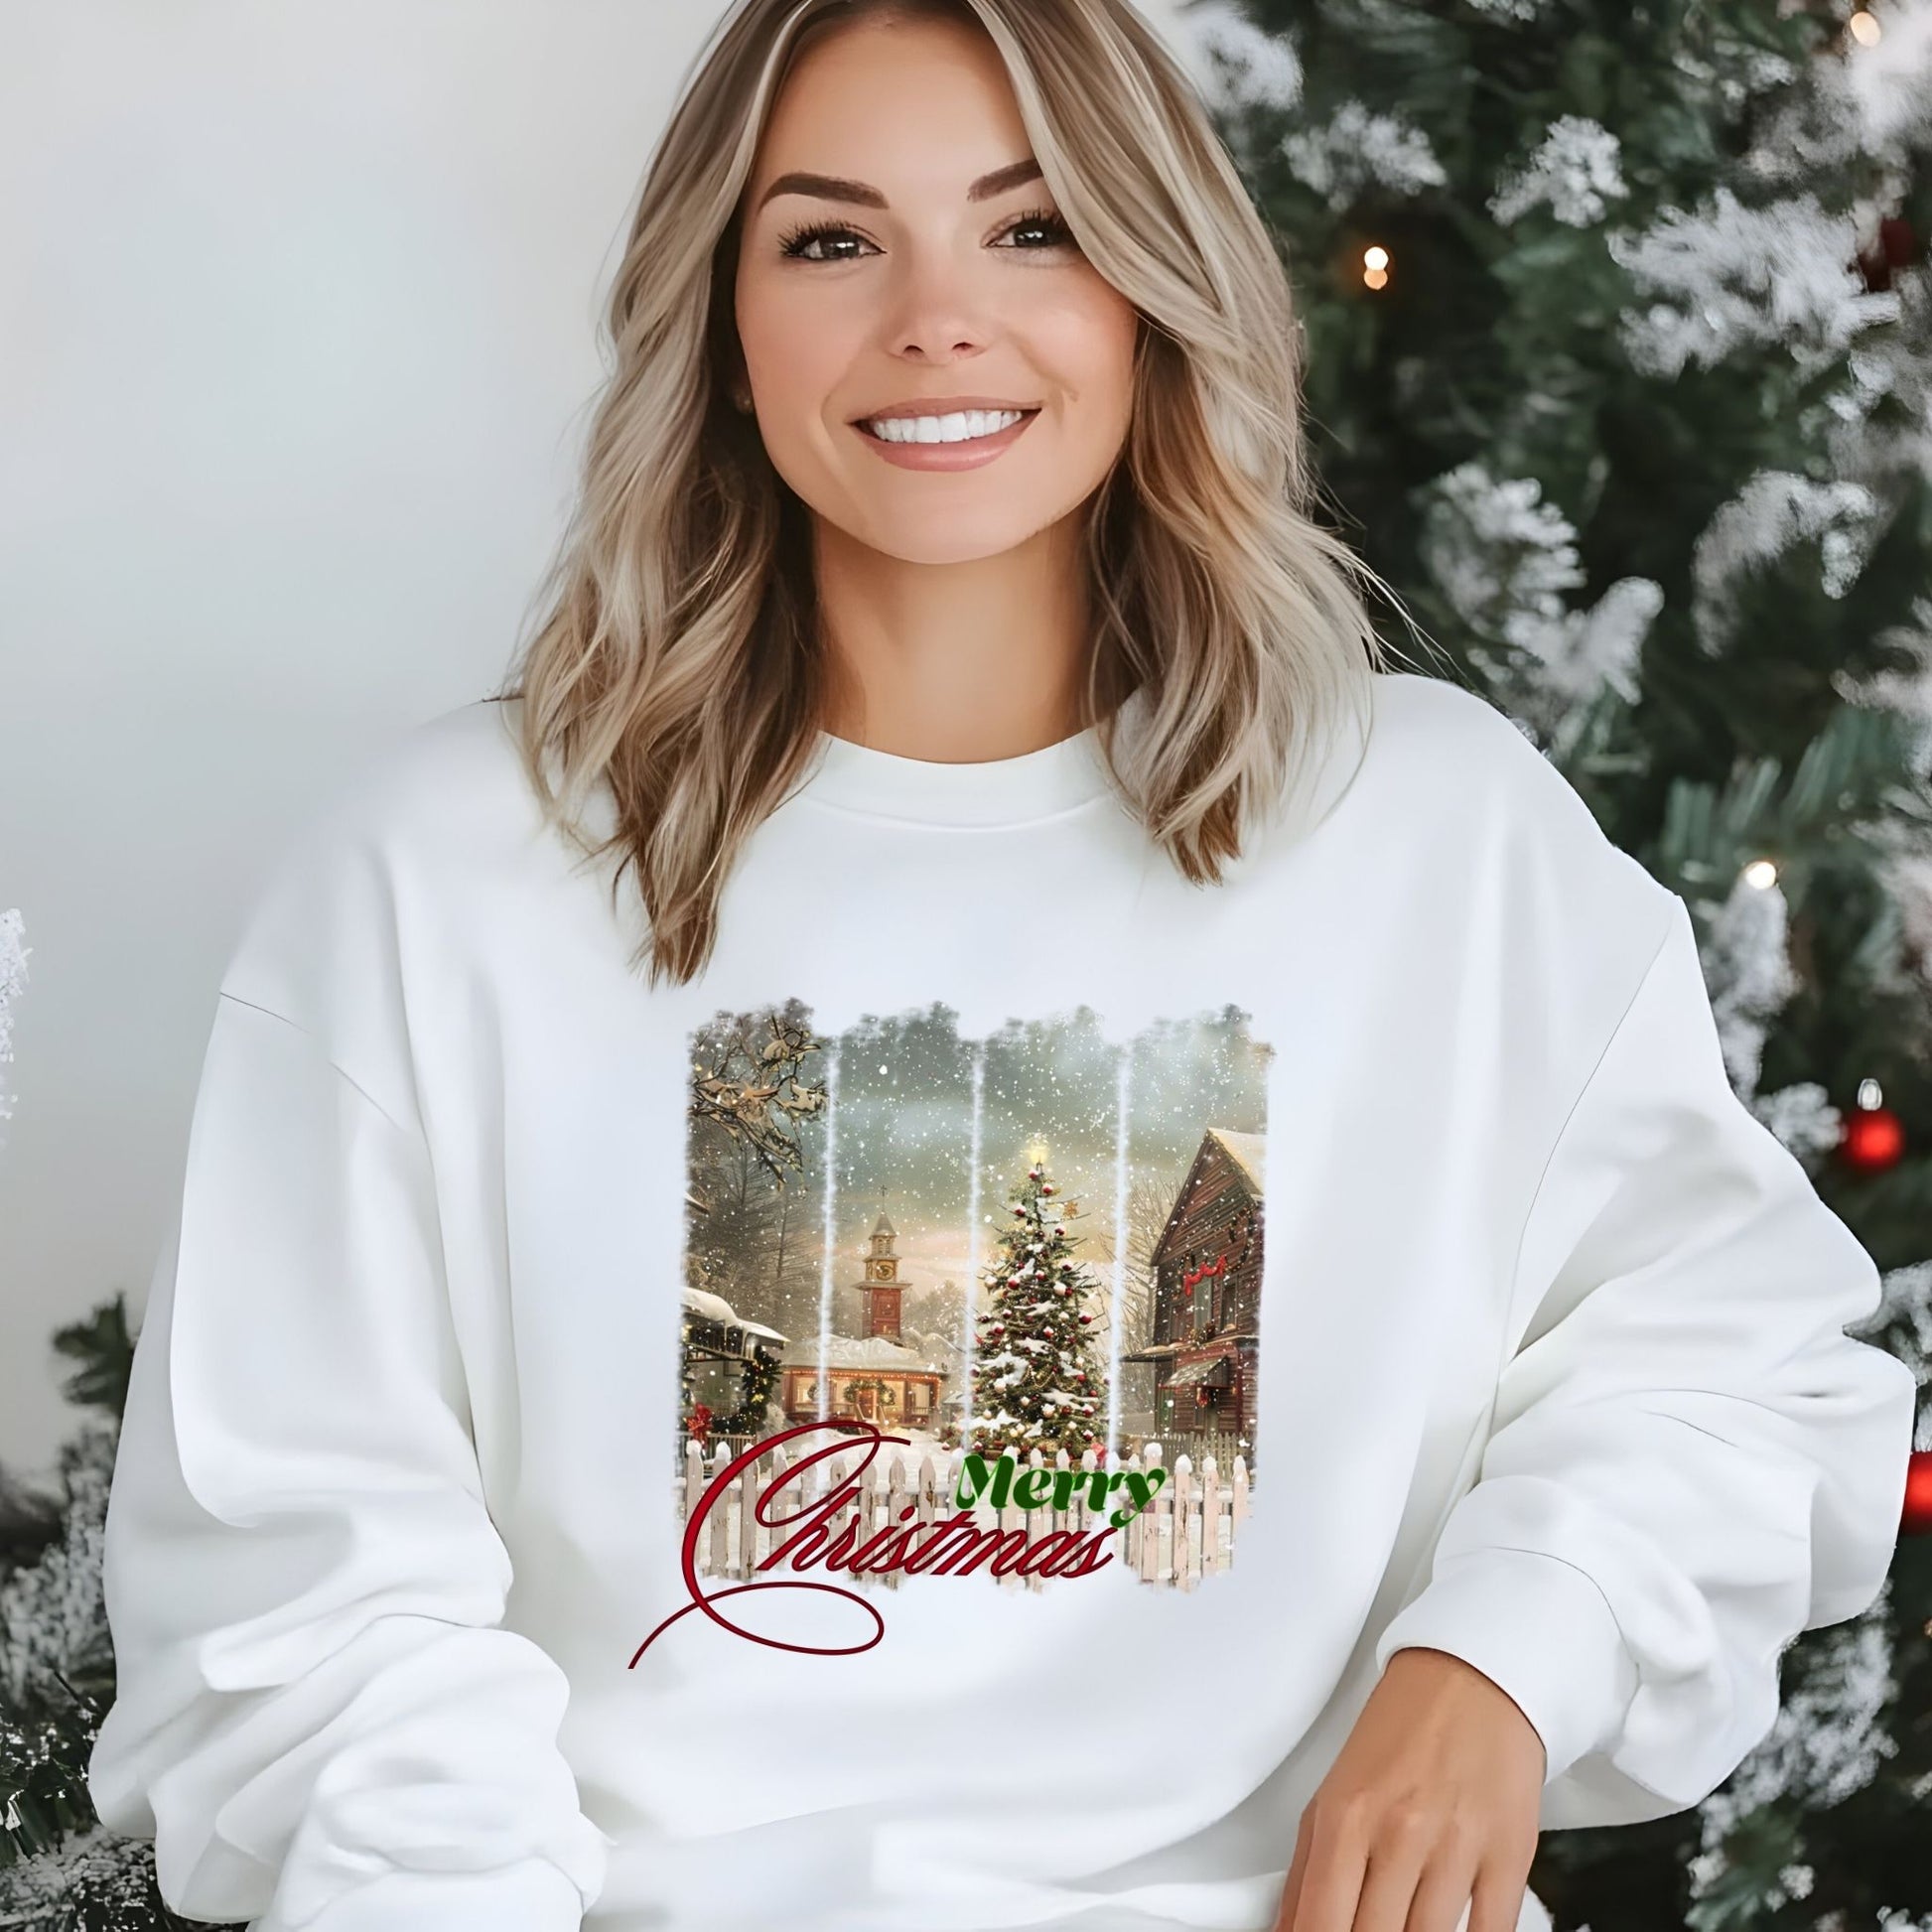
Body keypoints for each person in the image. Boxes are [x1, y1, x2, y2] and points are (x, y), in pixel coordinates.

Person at [84, 2, 1916, 1930]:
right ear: (719, 325)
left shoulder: (1436, 839)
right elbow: (305, 1595)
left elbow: (1742, 1367)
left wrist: (1496, 1669)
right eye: (828, 236)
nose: (934, 317)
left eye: (1030, 227)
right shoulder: (441, 876)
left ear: (1149, 283)